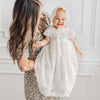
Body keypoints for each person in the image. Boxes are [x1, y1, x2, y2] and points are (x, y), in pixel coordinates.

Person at [8, 0, 59, 100]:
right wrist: (48, 64)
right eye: (39, 14)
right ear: (29, 17)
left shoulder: (45, 19)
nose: (42, 16)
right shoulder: (22, 35)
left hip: (52, 80)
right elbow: (24, 65)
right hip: (36, 85)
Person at [32, 7, 83, 98]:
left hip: (64, 55)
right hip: (52, 54)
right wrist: (40, 43)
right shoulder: (51, 30)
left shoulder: (67, 30)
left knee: (64, 71)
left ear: (66, 20)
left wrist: (78, 51)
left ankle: (62, 87)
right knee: (51, 70)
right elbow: (46, 40)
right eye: (57, 18)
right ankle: (50, 86)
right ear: (53, 18)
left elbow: (73, 41)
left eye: (63, 19)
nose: (60, 21)